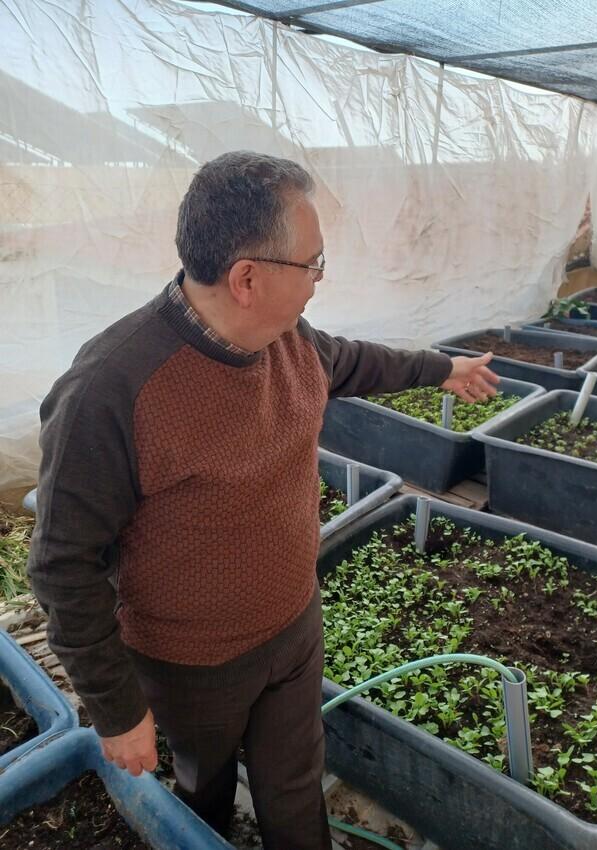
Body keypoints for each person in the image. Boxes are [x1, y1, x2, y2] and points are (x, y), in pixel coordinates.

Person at [27, 151, 499, 849]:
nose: (318, 281)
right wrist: (118, 710)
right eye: (313, 263)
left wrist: (443, 368)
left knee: (293, 785)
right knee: (204, 790)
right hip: (192, 664)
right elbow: (62, 565)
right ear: (248, 277)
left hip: (292, 627)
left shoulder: (292, 344)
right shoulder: (112, 389)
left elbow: (361, 360)